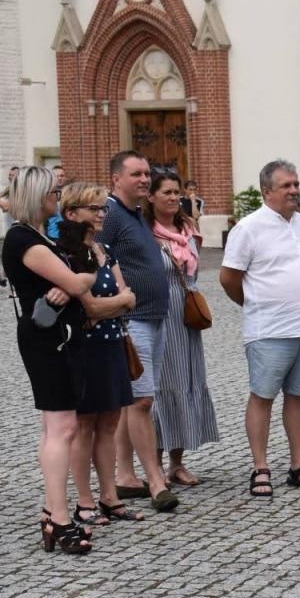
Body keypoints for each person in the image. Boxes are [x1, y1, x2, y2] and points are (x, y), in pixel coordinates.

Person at [219, 159, 300, 497]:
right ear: (267, 191)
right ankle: (260, 467)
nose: (294, 191)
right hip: (269, 327)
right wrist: (254, 303)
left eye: (296, 184)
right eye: (286, 186)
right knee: (263, 396)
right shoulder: (249, 228)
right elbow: (228, 277)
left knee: (298, 397)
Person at [2, 166, 99, 554]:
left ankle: (51, 511)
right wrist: (76, 281)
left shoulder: (41, 236)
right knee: (62, 429)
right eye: (52, 193)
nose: (56, 199)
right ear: (37, 195)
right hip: (48, 341)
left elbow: (81, 270)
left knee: (57, 428)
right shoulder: (25, 239)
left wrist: (76, 278)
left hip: (59, 337)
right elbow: (79, 280)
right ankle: (59, 518)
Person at [100, 152, 180, 512]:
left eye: (147, 173)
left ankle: (125, 475)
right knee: (142, 400)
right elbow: (97, 254)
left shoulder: (134, 213)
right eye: (137, 174)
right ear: (117, 178)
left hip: (153, 316)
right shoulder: (111, 213)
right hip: (131, 320)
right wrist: (118, 293)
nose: (145, 179)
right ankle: (156, 480)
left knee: (133, 401)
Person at [56, 182, 139, 526]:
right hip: (84, 348)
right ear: (72, 213)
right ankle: (84, 501)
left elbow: (128, 296)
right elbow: (86, 305)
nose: (101, 214)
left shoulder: (104, 250)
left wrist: (113, 304)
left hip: (110, 344)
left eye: (103, 208)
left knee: (109, 423)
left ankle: (109, 495)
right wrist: (115, 303)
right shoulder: (66, 254)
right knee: (84, 425)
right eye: (94, 209)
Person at [145, 169, 220, 485]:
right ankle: (156, 465)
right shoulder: (146, 233)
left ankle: (178, 461)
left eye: (177, 192)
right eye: (167, 193)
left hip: (186, 309)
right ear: (151, 197)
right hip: (160, 310)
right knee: (162, 384)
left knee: (188, 379)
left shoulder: (188, 228)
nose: (175, 198)